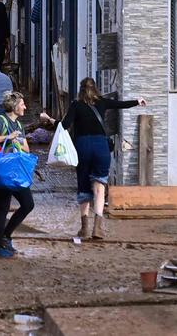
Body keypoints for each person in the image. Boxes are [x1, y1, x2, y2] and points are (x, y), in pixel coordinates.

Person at [41, 79, 146, 240]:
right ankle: (97, 228)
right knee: (99, 186)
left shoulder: (76, 105)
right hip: (101, 147)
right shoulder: (102, 102)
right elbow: (120, 104)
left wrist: (49, 119)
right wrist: (137, 101)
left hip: (82, 147)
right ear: (95, 89)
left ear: (80, 90)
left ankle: (84, 229)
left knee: (83, 187)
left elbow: (64, 125)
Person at [0, 92, 34, 258]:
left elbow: (26, 149)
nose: (25, 107)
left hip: (15, 171)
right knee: (2, 208)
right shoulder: (0, 120)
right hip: (2, 170)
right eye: (22, 104)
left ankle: (7, 235)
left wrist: (17, 142)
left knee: (28, 204)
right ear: (14, 105)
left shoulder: (19, 125)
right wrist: (8, 137)